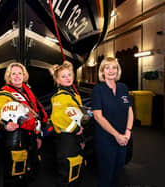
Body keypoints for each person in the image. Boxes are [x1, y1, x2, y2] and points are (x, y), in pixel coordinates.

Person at [0, 62, 48, 187]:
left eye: (19, 73)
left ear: (24, 75)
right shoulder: (3, 94)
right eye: (13, 73)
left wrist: (37, 136)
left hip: (30, 138)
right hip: (15, 138)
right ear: (9, 76)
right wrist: (4, 125)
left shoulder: (28, 92)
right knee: (14, 175)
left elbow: (35, 115)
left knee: (29, 173)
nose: (17, 76)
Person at [92, 57, 134, 187]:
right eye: (107, 68)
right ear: (102, 71)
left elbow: (130, 111)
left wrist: (128, 132)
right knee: (106, 176)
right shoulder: (98, 89)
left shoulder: (123, 87)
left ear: (118, 70)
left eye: (114, 67)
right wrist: (117, 135)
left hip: (123, 138)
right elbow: (98, 116)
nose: (111, 71)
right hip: (106, 139)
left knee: (118, 173)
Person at [50, 61, 86, 187]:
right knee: (67, 171)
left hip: (75, 137)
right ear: (57, 80)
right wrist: (76, 128)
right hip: (66, 139)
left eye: (69, 75)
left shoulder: (74, 94)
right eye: (63, 76)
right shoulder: (60, 96)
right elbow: (57, 118)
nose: (67, 78)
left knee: (76, 168)